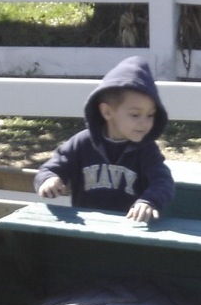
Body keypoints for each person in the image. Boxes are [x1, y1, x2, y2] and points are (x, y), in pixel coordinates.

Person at [35, 56, 174, 223]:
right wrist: (50, 179)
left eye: (150, 115)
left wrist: (149, 201)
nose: (144, 122)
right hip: (86, 229)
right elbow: (52, 168)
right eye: (135, 115)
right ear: (107, 112)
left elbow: (163, 181)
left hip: (130, 229)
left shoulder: (146, 150)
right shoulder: (82, 143)